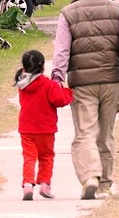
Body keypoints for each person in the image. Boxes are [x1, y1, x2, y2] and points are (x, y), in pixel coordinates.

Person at [51, 0, 119, 200]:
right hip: (112, 81)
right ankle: (104, 184)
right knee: (105, 134)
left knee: (85, 132)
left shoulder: (68, 14)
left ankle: (90, 176)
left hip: (82, 83)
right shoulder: (116, 10)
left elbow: (61, 51)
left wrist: (58, 77)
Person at [14, 50, 73, 201]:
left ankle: (28, 184)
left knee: (29, 157)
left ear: (24, 67)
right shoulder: (48, 84)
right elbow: (60, 101)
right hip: (46, 129)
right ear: (42, 68)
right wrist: (67, 90)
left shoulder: (21, 83)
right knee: (46, 156)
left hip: (26, 128)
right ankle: (45, 184)